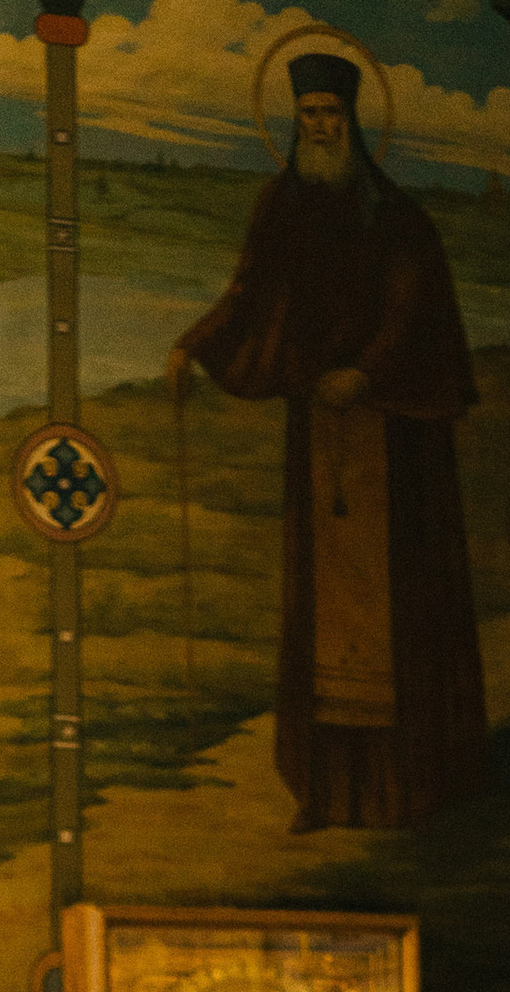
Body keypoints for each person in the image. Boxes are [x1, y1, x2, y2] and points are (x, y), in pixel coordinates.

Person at [168, 49, 484, 831]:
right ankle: (327, 790)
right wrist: (194, 345)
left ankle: (402, 789)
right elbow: (250, 292)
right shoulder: (281, 207)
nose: (319, 126)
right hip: (319, 430)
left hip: (391, 437)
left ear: (353, 121)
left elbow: (414, 310)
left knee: (393, 614)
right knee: (325, 617)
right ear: (293, 120)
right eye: (308, 114)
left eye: (331, 115)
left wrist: (367, 374)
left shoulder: (399, 218)